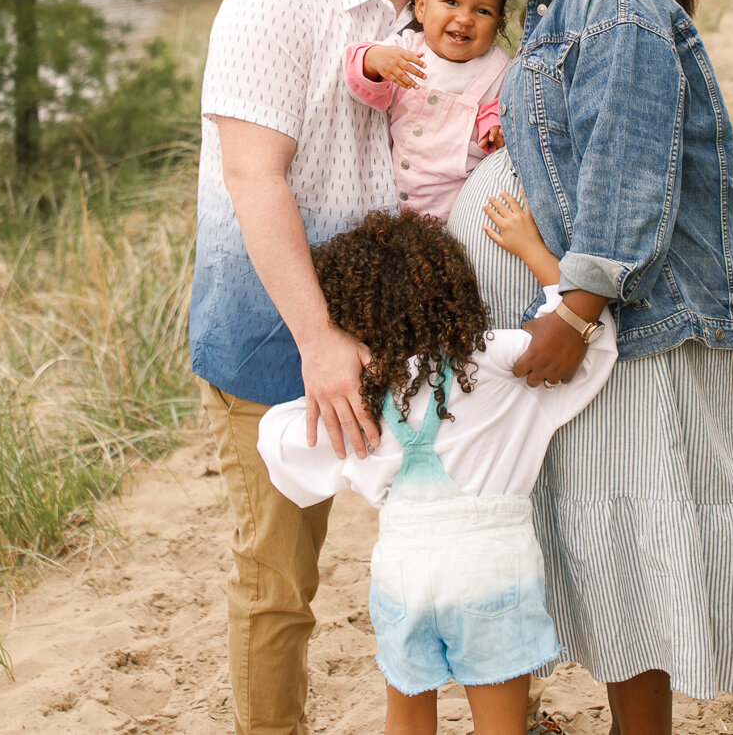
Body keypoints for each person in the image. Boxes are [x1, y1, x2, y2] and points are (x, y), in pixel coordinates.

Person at [449, 0, 733, 735]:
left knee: (633, 539)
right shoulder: (571, 5)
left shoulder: (616, 3)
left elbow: (628, 165)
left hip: (628, 332)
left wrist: (575, 303)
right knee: (612, 546)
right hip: (596, 333)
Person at [192, 0, 495, 735]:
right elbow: (252, 174)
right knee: (278, 585)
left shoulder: (448, 10)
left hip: (407, 345)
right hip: (277, 341)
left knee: (439, 563)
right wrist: (317, 339)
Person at [257, 210, 618, 735]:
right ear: (454, 287)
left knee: (406, 717)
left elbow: (278, 440)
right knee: (500, 725)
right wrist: (534, 253)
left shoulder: (363, 397)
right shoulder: (496, 362)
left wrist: (332, 365)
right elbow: (588, 338)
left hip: (403, 574)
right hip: (493, 568)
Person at [344, 0, 511, 221]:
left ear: (499, 22)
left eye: (482, 10)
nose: (465, 18)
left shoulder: (497, 67)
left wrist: (493, 122)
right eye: (451, 2)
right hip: (393, 199)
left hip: (459, 209)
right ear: (421, 6)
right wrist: (373, 60)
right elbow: (358, 75)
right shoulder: (408, 48)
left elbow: (502, 106)